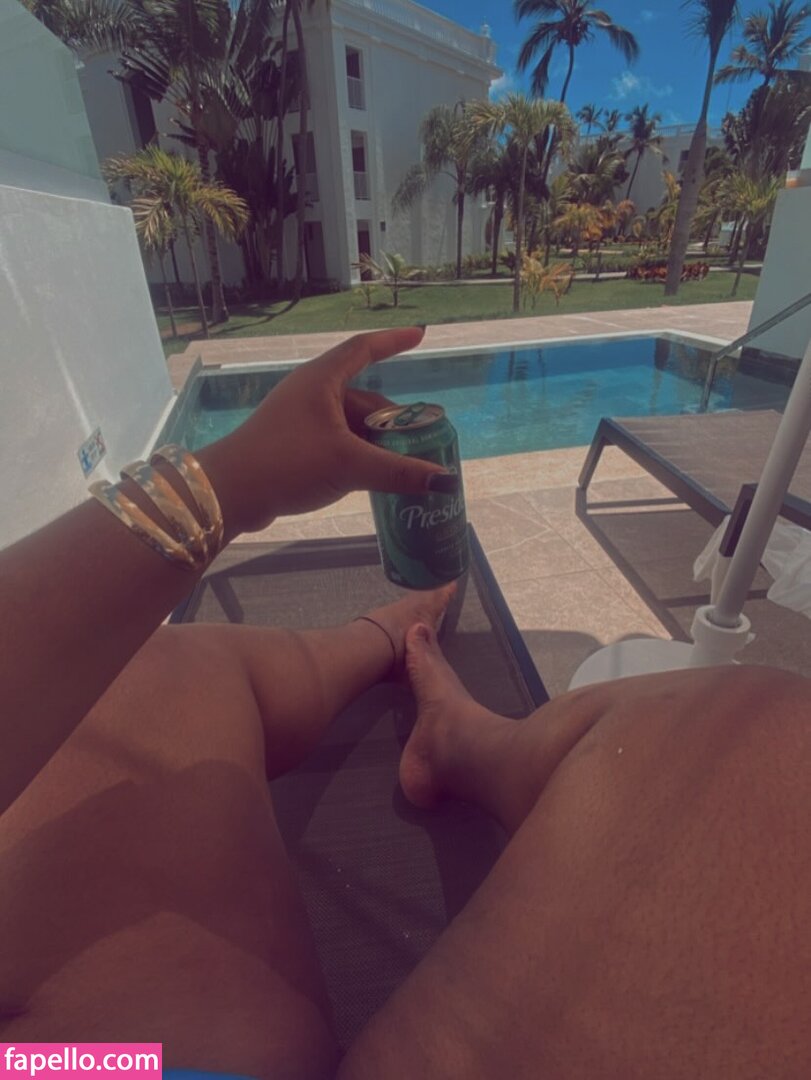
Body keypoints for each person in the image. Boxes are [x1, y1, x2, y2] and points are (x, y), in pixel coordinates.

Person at [1, 327, 810, 1079]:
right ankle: (447, 714)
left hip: (45, 1061)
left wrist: (234, 478)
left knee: (159, 671)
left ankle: (404, 662)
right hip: (100, 1066)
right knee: (740, 734)